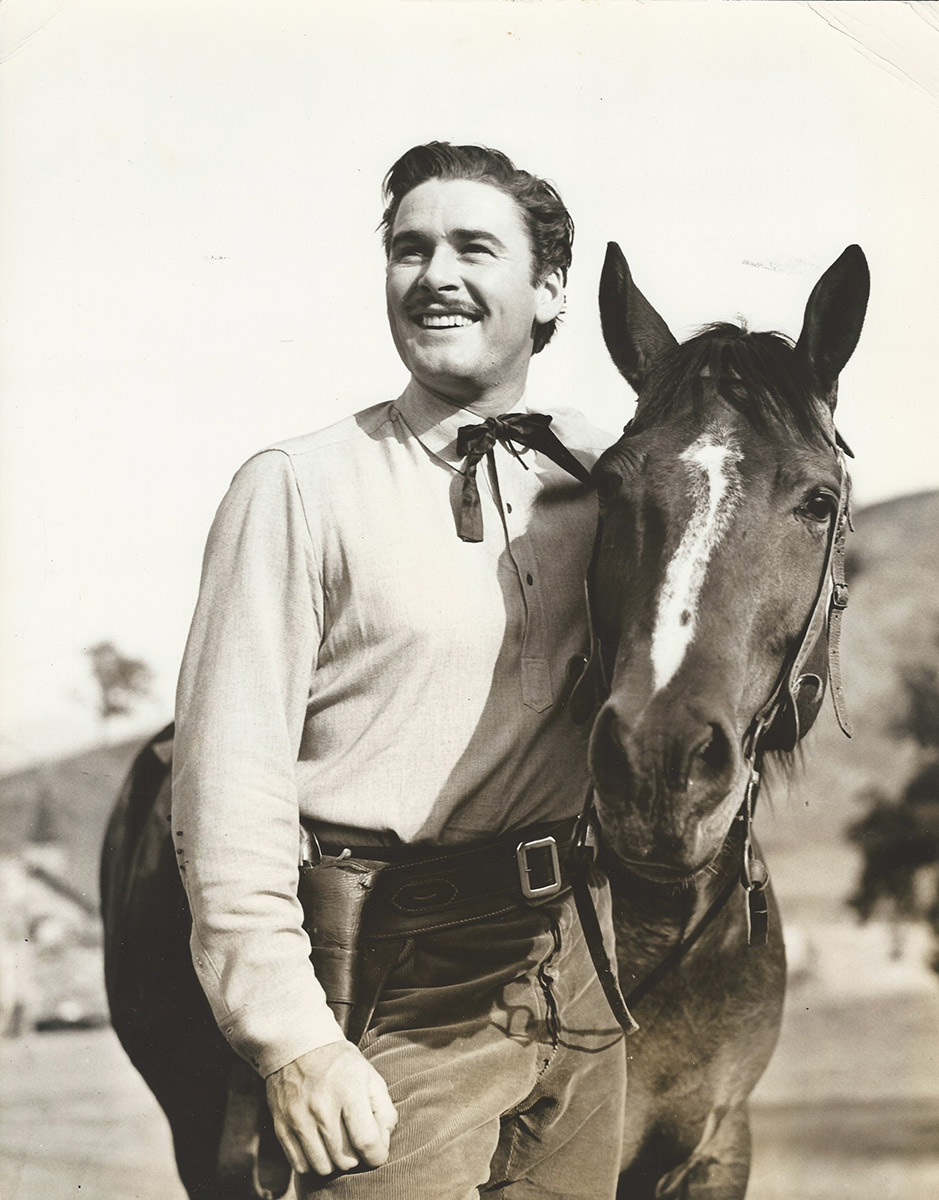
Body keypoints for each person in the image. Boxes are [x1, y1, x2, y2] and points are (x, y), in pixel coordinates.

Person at [171, 141, 626, 1199]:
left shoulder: (614, 480)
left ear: (550, 285)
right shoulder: (298, 489)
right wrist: (293, 1042)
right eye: (409, 249)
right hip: (388, 969)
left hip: (575, 971)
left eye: (474, 246)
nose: (436, 275)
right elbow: (227, 791)